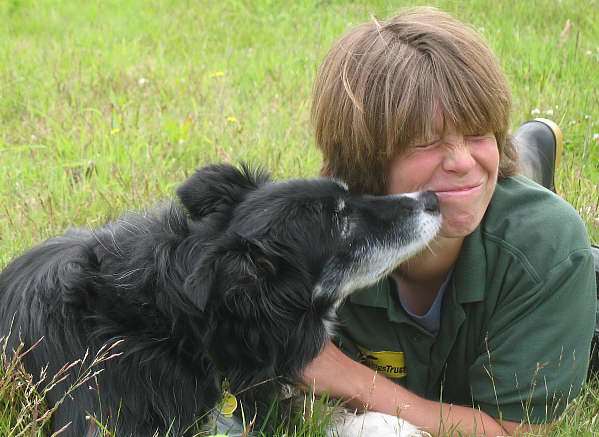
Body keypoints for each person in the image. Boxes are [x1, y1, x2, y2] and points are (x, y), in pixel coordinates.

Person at [304, 6, 596, 436]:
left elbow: (511, 431)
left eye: (480, 135)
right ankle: (525, 156)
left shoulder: (549, 249)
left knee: (520, 212)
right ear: (360, 161)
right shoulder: (308, 245)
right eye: (426, 141)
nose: (461, 160)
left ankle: (524, 161)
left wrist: (343, 376)